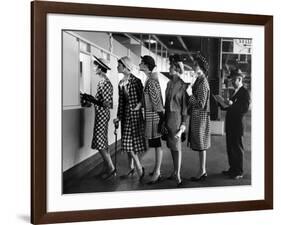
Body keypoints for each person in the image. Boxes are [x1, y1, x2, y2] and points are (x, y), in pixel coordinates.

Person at [81, 56, 115, 180]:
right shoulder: (103, 82)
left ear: (101, 68)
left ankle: (111, 168)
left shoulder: (104, 82)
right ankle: (107, 167)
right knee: (102, 141)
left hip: (102, 114)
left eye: (96, 66)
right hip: (101, 114)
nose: (94, 68)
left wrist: (92, 99)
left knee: (99, 141)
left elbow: (106, 103)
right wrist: (91, 98)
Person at [113, 56, 147, 181]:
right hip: (126, 116)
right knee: (127, 143)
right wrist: (118, 117)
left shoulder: (136, 81)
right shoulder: (121, 83)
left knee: (132, 143)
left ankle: (135, 166)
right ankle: (135, 167)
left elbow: (143, 98)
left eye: (119, 65)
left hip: (136, 116)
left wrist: (138, 107)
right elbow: (121, 102)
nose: (117, 67)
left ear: (125, 66)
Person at [162, 54, 188, 187]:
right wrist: (164, 120)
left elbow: (184, 106)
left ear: (177, 68)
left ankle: (178, 174)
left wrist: (183, 123)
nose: (169, 68)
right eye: (170, 65)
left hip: (177, 118)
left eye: (171, 66)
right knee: (171, 146)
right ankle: (174, 170)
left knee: (177, 147)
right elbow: (166, 102)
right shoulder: (168, 83)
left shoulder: (182, 85)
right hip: (168, 117)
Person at [220, 68, 250, 179]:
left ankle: (239, 172)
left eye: (233, 80)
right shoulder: (235, 92)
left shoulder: (245, 92)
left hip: (237, 126)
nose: (231, 82)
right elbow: (231, 107)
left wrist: (232, 104)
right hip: (230, 125)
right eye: (231, 80)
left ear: (239, 79)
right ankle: (232, 169)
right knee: (230, 148)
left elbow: (244, 108)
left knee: (237, 149)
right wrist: (223, 104)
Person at [139, 55, 165, 184]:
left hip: (155, 117)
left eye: (141, 63)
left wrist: (161, 118)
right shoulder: (150, 79)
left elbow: (156, 101)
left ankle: (157, 172)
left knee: (156, 144)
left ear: (146, 65)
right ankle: (156, 169)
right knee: (155, 144)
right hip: (154, 116)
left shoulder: (151, 81)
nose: (139, 64)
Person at [186, 54, 211, 182]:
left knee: (201, 145)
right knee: (200, 144)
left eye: (195, 65)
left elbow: (200, 104)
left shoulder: (203, 82)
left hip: (200, 117)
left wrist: (190, 94)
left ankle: (202, 171)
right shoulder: (199, 80)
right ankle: (202, 170)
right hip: (198, 117)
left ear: (201, 67)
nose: (193, 67)